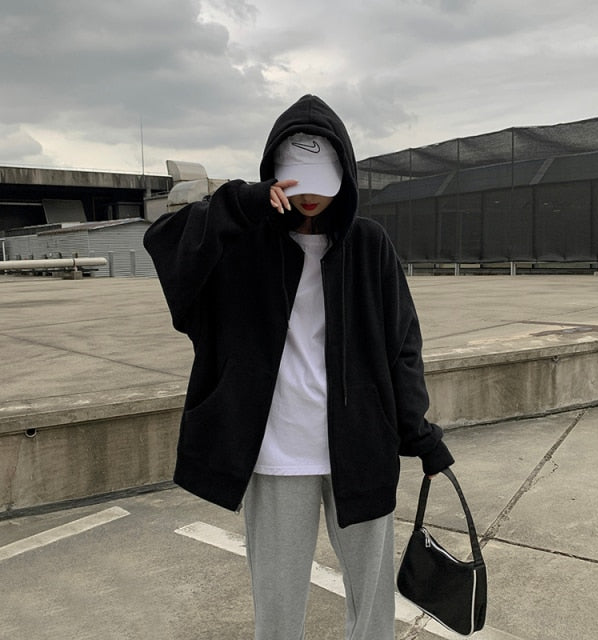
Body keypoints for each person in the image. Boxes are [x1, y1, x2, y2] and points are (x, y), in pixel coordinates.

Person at [143, 94, 454, 640]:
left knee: (373, 606)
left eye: (321, 180)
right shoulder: (246, 245)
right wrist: (241, 204)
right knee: (278, 608)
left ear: (344, 176)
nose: (309, 194)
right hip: (277, 451)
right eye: (295, 180)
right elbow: (167, 245)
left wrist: (419, 434)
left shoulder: (368, 244)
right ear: (274, 173)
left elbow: (402, 346)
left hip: (361, 448)